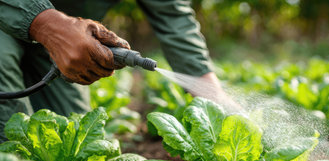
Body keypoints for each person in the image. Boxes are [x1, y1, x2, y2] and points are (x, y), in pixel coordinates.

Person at [0, 0, 228, 142]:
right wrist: (45, 24)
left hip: (63, 39)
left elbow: (175, 17)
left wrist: (214, 98)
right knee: (13, 135)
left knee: (71, 138)